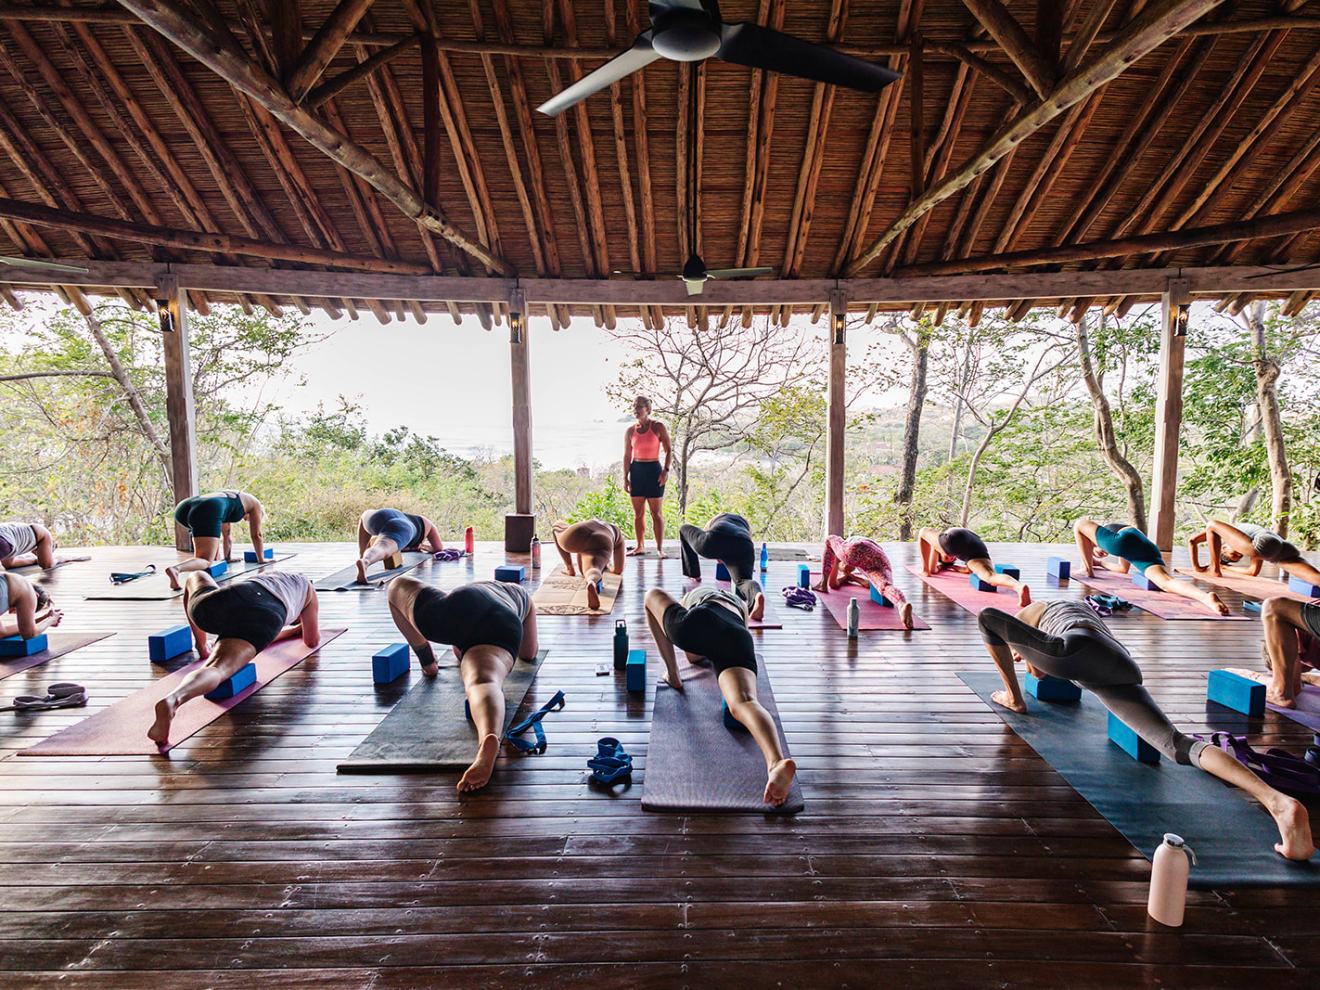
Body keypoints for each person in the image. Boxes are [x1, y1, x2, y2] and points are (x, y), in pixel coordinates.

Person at [979, 599, 1314, 862]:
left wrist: (1017, 670)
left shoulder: (1032, 612)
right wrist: (1026, 652)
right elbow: (1045, 662)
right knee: (1177, 745)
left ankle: (1013, 698)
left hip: (1078, 648)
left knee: (986, 618)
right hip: (1117, 665)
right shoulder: (1067, 612)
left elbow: (1035, 668)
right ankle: (1278, 803)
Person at [644, 584, 797, 807]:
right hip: (738, 635)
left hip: (701, 618)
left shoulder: (693, 597)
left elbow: (693, 657)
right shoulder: (740, 605)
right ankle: (775, 762)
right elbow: (712, 650)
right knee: (743, 701)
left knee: (651, 596)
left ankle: (673, 674)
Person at [385, 576, 539, 793]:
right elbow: (529, 653)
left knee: (395, 587)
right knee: (483, 681)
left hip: (456, 604)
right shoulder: (523, 596)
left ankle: (428, 661)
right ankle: (488, 736)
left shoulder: (479, 588)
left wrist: (441, 653)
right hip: (500, 621)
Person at [149, 569, 319, 747]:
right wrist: (295, 630)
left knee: (195, 576)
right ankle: (173, 699)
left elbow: (250, 602)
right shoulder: (309, 590)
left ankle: (201, 645)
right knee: (217, 669)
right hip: (265, 615)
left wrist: (203, 645)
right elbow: (311, 641)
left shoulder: (274, 575)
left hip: (229, 597)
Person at [1074, 517, 1227, 615]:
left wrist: (1089, 566)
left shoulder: (1108, 533)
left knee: (1079, 523)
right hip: (1147, 548)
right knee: (1166, 582)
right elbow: (1122, 569)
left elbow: (1081, 525)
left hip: (1124, 539)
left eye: (1098, 551)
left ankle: (1088, 571)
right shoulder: (1118, 544)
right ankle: (1206, 598)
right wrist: (1099, 562)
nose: (1101, 553)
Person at [1228, 597, 1320, 708]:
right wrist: (1306, 677)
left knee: (1272, 608)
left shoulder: (1297, 636)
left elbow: (1295, 687)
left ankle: (1280, 692)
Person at [166, 491, 265, 591]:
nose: (245, 520)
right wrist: (261, 560)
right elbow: (257, 535)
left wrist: (227, 558)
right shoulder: (255, 504)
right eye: (247, 520)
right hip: (208, 509)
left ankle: (194, 572)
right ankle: (176, 569)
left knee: (206, 553)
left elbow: (226, 534)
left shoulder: (233, 500)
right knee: (206, 560)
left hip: (185, 507)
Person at [814, 534, 913, 629]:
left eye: (843, 567)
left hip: (859, 547)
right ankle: (901, 604)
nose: (845, 570)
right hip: (880, 558)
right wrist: (851, 577)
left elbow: (832, 584)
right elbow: (868, 584)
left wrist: (836, 561)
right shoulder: (865, 567)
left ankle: (822, 583)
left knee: (830, 538)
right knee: (884, 586)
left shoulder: (847, 544)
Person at [679, 512, 765, 620]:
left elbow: (706, 533)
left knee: (683, 528)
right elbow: (739, 547)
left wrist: (717, 552)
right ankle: (756, 596)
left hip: (716, 537)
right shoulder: (744, 525)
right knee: (743, 581)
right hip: (744, 543)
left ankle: (693, 573)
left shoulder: (717, 518)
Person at [917, 525, 1031, 607]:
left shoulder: (945, 538)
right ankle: (1018, 586)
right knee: (990, 576)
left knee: (923, 531)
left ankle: (923, 570)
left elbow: (923, 533)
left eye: (947, 556)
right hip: (977, 545)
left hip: (957, 536)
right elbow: (967, 570)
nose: (951, 557)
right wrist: (951, 567)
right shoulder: (959, 554)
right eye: (949, 558)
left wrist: (926, 570)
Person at [1188, 519, 1320, 587]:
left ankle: (1214, 570)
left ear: (1224, 547)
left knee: (1212, 524)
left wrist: (1197, 567)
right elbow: (1252, 572)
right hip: (1283, 548)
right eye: (1239, 556)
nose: (1240, 553)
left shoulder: (1235, 531)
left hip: (1266, 541)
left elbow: (1192, 541)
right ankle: (1217, 568)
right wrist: (1227, 567)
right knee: (1316, 578)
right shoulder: (1251, 546)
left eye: (1234, 554)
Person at [622, 396, 671, 557]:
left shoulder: (658, 427)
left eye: (640, 406)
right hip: (637, 471)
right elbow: (627, 456)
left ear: (648, 409)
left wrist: (665, 471)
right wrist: (625, 477)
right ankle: (640, 546)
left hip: (654, 471)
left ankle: (659, 548)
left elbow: (669, 450)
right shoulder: (630, 431)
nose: (636, 409)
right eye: (634, 406)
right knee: (638, 514)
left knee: (656, 513)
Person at [355, 507, 445, 584]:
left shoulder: (417, 520)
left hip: (381, 515)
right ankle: (365, 561)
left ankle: (362, 556)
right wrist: (423, 546)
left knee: (364, 517)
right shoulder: (427, 525)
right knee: (383, 547)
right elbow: (438, 548)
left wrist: (362, 551)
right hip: (403, 526)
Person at [551, 518, 625, 610]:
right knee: (593, 570)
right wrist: (609, 566)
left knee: (556, 526)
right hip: (603, 539)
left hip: (579, 530)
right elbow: (618, 570)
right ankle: (591, 582)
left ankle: (569, 568)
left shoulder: (600, 523)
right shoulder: (618, 535)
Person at [0, 570, 62, 640]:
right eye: (16, 609)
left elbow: (2, 632)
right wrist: (51, 620)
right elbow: (30, 634)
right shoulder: (28, 591)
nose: (10, 612)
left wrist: (42, 619)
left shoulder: (9, 584)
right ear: (36, 595)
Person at [0, 521, 81, 572]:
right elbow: (47, 565)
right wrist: (59, 559)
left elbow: (9, 564)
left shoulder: (17, 535)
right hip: (3, 540)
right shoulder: (45, 534)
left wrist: (34, 560)